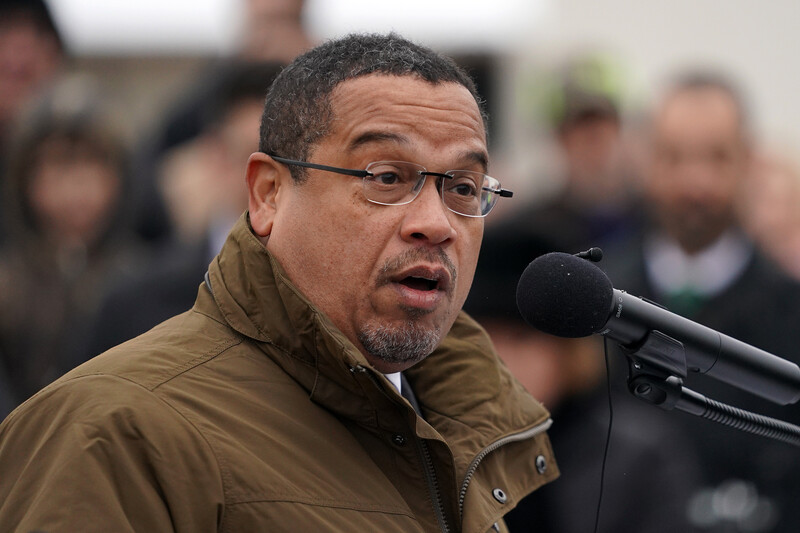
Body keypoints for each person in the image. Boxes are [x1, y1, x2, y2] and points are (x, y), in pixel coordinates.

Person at [0, 33, 559, 532]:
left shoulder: (470, 427)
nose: (435, 223)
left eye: (462, 188)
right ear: (269, 193)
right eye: (386, 177)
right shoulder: (114, 432)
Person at [602, 71, 800, 532]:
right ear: (646, 160)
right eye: (675, 157)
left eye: (716, 157)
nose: (695, 182)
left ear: (748, 161)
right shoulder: (596, 305)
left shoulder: (792, 312)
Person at [464, 230, 702, 533]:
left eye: (520, 339)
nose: (501, 359)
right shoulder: (437, 444)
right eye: (484, 338)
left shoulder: (638, 456)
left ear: (566, 350)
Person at [0, 75, 145, 417]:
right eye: (57, 164)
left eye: (92, 163)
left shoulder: (146, 280)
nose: (76, 184)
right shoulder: (7, 286)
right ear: (24, 180)